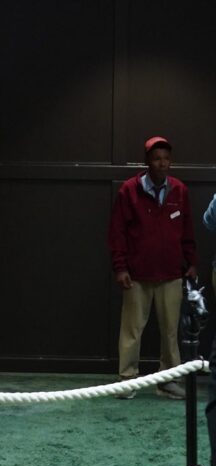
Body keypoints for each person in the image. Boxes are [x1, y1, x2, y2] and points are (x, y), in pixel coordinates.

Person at [108, 136, 197, 400]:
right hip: (136, 275)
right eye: (157, 159)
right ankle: (127, 379)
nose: (162, 163)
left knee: (171, 331)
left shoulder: (179, 191)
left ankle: (168, 380)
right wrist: (120, 267)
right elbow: (117, 233)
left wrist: (191, 262)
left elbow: (187, 231)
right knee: (132, 329)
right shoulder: (129, 191)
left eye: (166, 159)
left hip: (171, 273)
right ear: (147, 161)